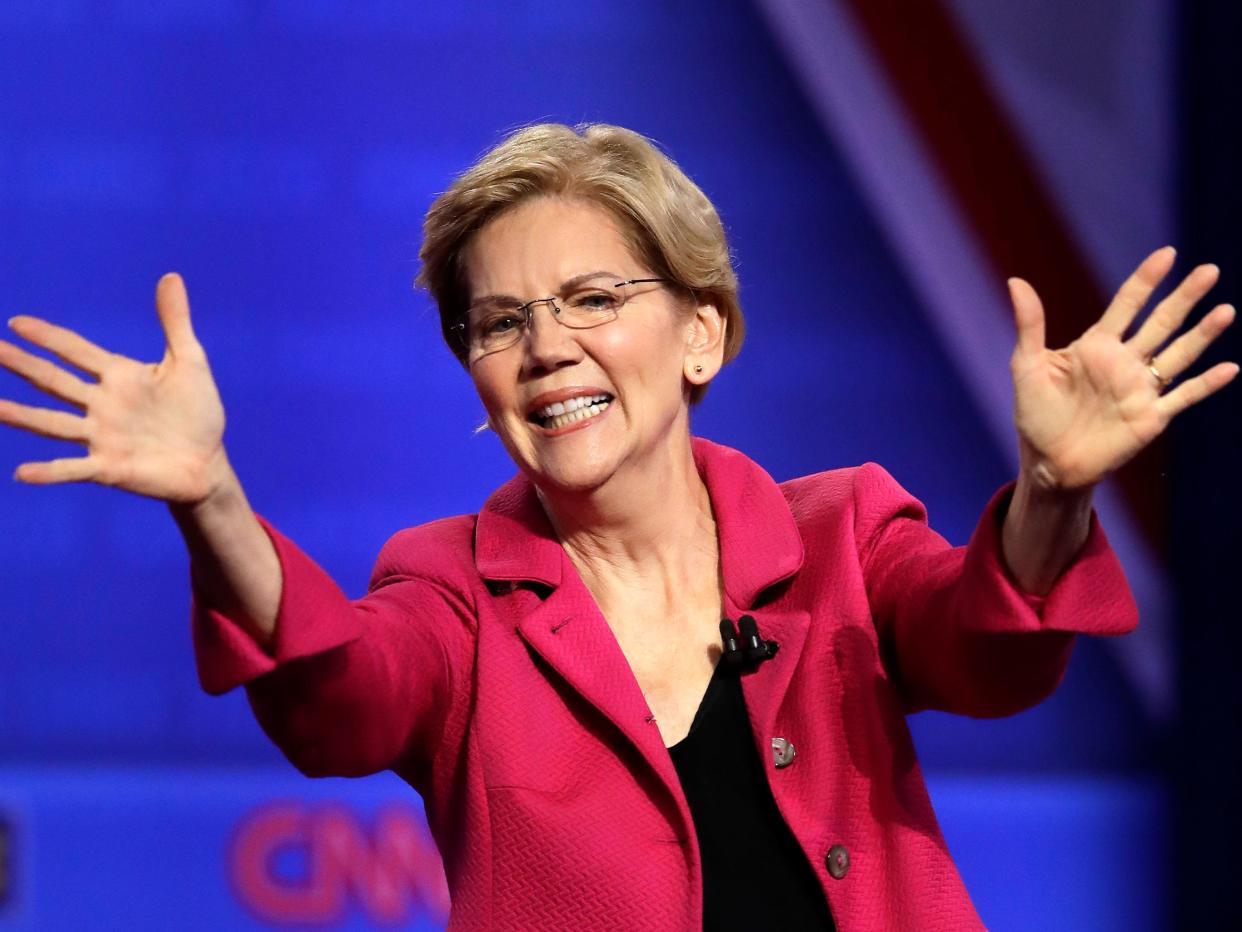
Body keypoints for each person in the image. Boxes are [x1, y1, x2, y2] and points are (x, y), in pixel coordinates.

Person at [0, 122, 1236, 931]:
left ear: (703, 332)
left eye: (594, 297)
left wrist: (1056, 487)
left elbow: (990, 646)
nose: (546, 348)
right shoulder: (452, 590)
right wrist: (214, 497)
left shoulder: (841, 533)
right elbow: (341, 695)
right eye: (497, 323)